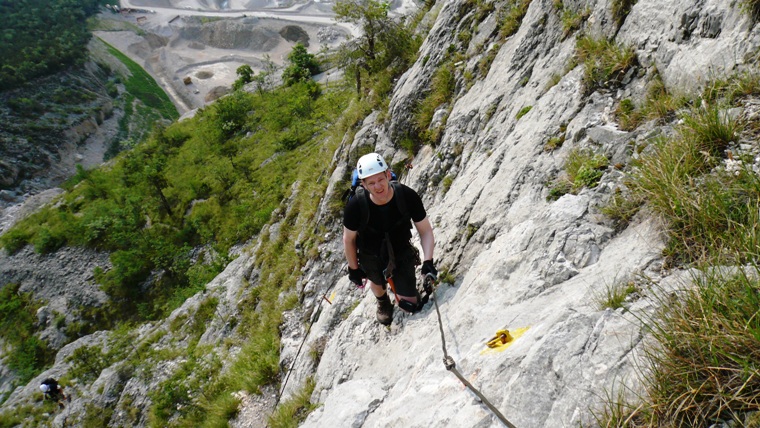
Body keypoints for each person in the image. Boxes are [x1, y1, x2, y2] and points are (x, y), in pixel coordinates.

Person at [342, 152, 437, 325]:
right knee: (375, 279)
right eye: (371, 183)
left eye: (380, 179)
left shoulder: (406, 196)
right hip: (370, 253)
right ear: (363, 184)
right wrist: (354, 268)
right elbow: (348, 239)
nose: (378, 186)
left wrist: (428, 261)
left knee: (410, 305)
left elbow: (425, 231)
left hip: (401, 249)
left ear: (387, 174)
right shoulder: (356, 206)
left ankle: (401, 289)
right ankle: (383, 301)